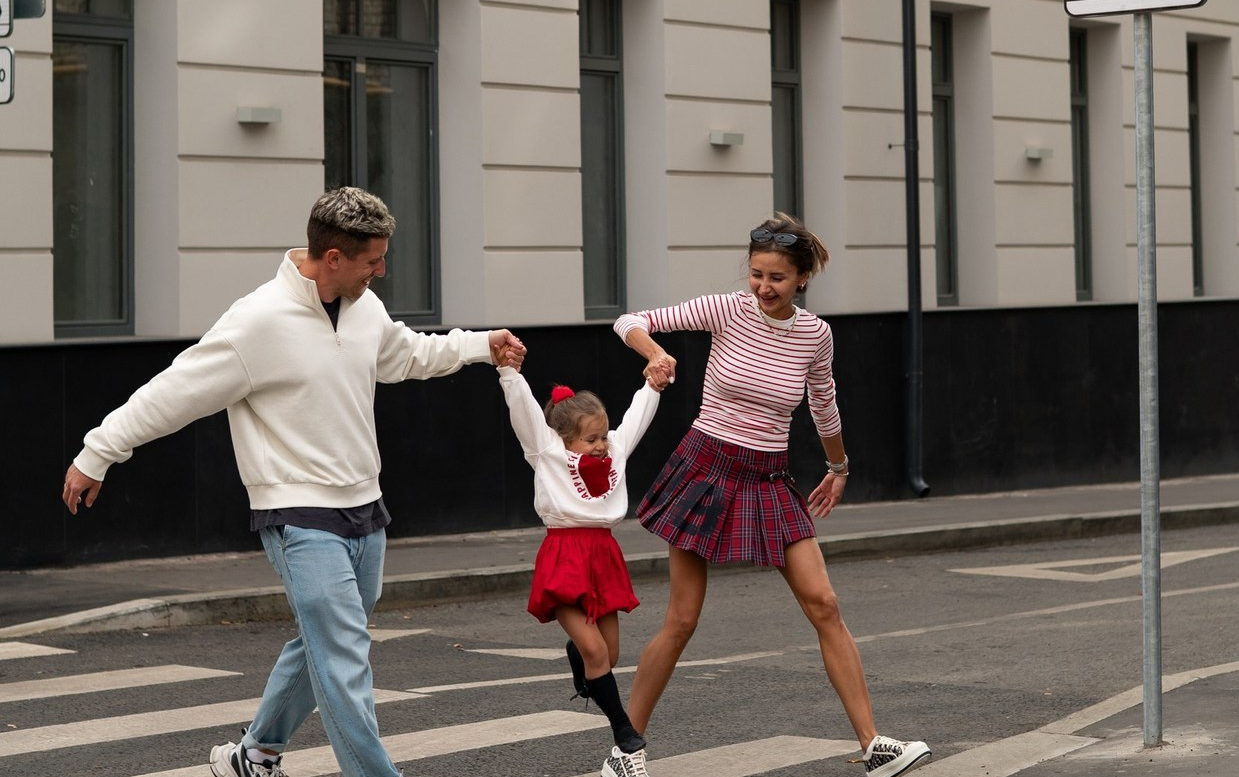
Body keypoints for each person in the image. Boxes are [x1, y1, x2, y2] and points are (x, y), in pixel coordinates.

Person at [61, 186, 527, 777]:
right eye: (372, 260)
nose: (381, 271)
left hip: (365, 507)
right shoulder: (256, 322)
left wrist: (480, 346)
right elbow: (172, 394)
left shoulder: (364, 308)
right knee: (343, 659)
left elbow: (404, 354)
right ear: (334, 257)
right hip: (298, 516)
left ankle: (253, 754)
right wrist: (96, 452)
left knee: (325, 644)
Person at [613, 215, 931, 777]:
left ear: (802, 278)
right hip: (706, 468)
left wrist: (839, 465)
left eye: (778, 277)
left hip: (767, 477)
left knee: (825, 605)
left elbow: (823, 403)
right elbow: (630, 321)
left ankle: (873, 744)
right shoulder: (726, 309)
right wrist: (653, 353)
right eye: (758, 273)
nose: (764, 286)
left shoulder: (815, 335)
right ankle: (626, 750)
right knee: (682, 620)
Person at [497, 360, 664, 777]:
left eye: (602, 436)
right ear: (563, 439)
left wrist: (653, 386)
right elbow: (525, 415)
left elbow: (635, 420)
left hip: (603, 556)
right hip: (564, 556)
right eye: (591, 439)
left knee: (608, 654)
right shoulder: (547, 452)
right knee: (596, 651)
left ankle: (577, 657)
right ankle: (623, 731)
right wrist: (509, 374)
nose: (601, 444)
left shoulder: (615, 450)